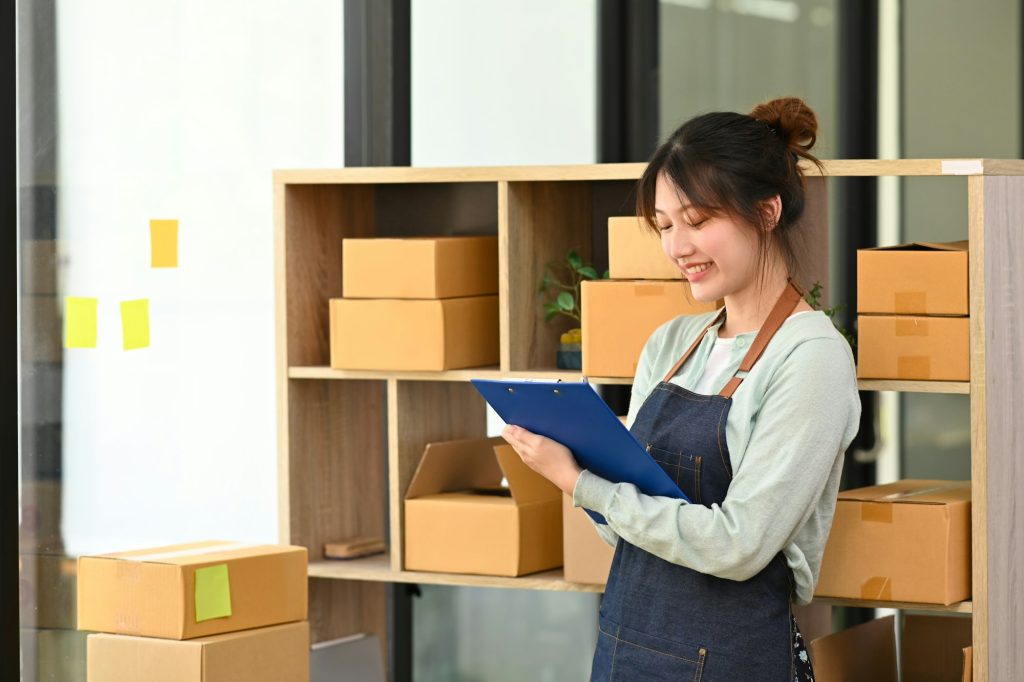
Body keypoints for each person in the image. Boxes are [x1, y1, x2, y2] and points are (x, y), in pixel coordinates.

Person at [501, 96, 861, 681]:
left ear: (767, 212)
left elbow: (738, 546)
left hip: (733, 662)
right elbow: (629, 536)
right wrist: (584, 465)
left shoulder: (811, 357)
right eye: (665, 226)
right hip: (626, 651)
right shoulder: (671, 345)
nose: (677, 248)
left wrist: (578, 481)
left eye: (697, 222)